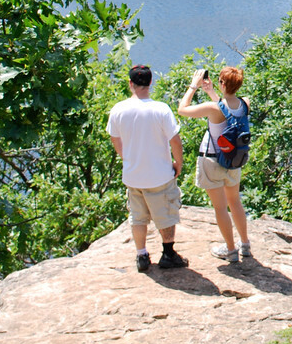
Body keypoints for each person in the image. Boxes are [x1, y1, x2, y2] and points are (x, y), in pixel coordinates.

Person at [107, 64, 189, 272]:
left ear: (130, 84)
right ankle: (168, 253)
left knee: (137, 216)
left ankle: (141, 255)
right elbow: (175, 141)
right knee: (166, 214)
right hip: (159, 174)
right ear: (151, 82)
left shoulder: (118, 109)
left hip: (133, 175)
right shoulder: (161, 109)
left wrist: (128, 158)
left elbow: (115, 140)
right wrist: (177, 164)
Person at [178, 67, 252, 262]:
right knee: (235, 202)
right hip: (234, 161)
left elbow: (182, 109)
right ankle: (245, 244)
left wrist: (193, 86)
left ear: (223, 83)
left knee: (220, 208)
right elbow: (227, 109)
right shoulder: (245, 104)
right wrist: (212, 91)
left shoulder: (213, 108)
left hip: (212, 160)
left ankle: (230, 250)